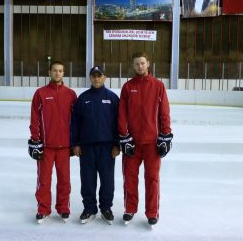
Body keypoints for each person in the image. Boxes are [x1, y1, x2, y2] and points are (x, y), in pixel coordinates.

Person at [118, 51, 173, 227]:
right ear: (133, 66)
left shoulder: (158, 86)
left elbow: (164, 113)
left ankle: (152, 212)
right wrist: (124, 137)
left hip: (152, 143)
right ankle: (130, 208)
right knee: (130, 177)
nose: (140, 66)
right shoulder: (127, 87)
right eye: (136, 64)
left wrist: (165, 135)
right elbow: (122, 115)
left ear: (148, 63)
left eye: (142, 63)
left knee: (152, 178)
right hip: (132, 143)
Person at [28, 61, 77, 224]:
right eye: (55, 70)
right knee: (44, 179)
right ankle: (43, 209)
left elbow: (75, 121)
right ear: (50, 72)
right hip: (46, 146)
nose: (57, 73)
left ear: (64, 73)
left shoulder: (70, 94)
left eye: (61, 71)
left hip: (64, 146)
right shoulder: (40, 93)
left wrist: (74, 142)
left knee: (64, 179)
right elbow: (34, 119)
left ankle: (63, 208)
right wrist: (35, 140)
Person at [71, 66, 120, 225]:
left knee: (107, 180)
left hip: (107, 148)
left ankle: (106, 208)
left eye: (99, 76)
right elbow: (75, 123)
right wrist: (76, 143)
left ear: (105, 77)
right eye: (93, 76)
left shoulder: (112, 98)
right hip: (86, 147)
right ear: (90, 78)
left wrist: (117, 144)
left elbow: (119, 123)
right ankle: (89, 208)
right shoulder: (83, 98)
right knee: (87, 180)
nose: (96, 79)